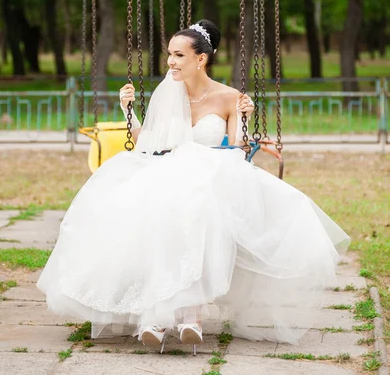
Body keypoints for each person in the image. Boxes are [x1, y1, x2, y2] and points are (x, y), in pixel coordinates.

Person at [37, 19, 350, 354]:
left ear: (200, 59)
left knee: (199, 210)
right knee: (156, 211)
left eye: (179, 55)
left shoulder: (230, 97)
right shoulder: (166, 95)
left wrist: (246, 115)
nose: (171, 62)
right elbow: (147, 143)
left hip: (212, 175)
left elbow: (238, 148)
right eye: (169, 54)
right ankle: (157, 315)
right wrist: (128, 111)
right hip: (169, 172)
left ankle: (190, 315)